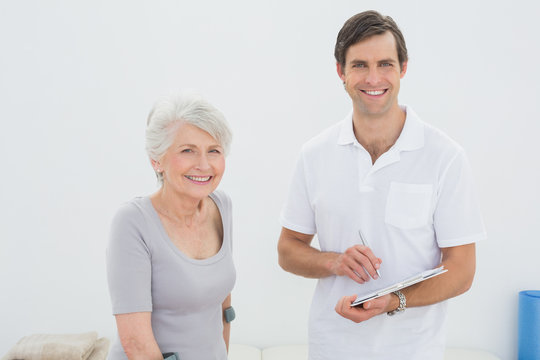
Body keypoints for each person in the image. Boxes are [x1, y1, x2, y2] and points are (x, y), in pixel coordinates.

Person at [278, 10, 486, 360]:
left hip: (414, 349)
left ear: (403, 68)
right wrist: (334, 262)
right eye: (359, 65)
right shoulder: (314, 154)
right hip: (332, 346)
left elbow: (462, 270)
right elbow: (287, 249)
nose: (373, 78)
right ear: (340, 71)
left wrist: (394, 301)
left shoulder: (445, 157)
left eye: (385, 64)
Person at [106, 92, 235, 360]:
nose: (203, 164)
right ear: (157, 159)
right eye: (187, 150)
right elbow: (136, 343)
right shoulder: (132, 222)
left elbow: (224, 306)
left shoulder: (221, 205)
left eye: (214, 150)